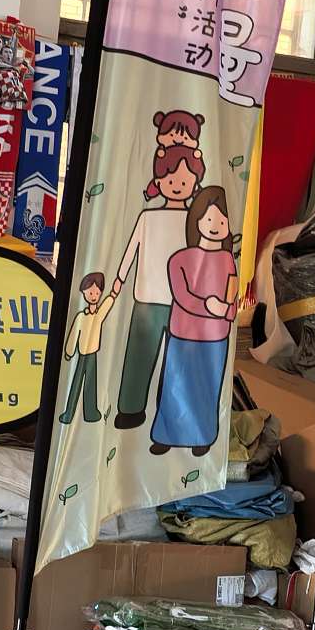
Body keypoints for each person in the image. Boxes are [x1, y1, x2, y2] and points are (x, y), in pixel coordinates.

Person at [111, 144, 203, 428]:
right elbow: (131, 250)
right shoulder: (148, 217)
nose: (177, 185)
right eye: (170, 179)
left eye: (184, 181)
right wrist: (118, 280)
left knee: (175, 362)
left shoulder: (195, 220)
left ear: (195, 184)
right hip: (149, 298)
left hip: (181, 301)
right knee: (140, 357)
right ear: (159, 181)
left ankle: (167, 417)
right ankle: (131, 411)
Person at [151, 184, 241, 457]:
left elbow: (233, 297)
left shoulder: (228, 259)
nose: (215, 226)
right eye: (209, 218)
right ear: (197, 220)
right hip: (183, 333)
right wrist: (210, 306)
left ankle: (203, 436)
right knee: (174, 384)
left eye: (222, 221)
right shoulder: (180, 259)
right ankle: (166, 435)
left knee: (208, 388)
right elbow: (182, 297)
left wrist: (225, 311)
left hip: (216, 337)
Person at [60, 272, 116, 424]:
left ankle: (91, 413)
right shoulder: (81, 316)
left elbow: (106, 306)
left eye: (97, 293)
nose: (94, 296)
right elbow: (73, 335)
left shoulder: (98, 316)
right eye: (90, 292)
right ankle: (69, 413)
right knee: (76, 384)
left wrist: (113, 294)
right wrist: (69, 351)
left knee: (90, 385)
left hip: (92, 354)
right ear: (84, 293)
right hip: (82, 354)